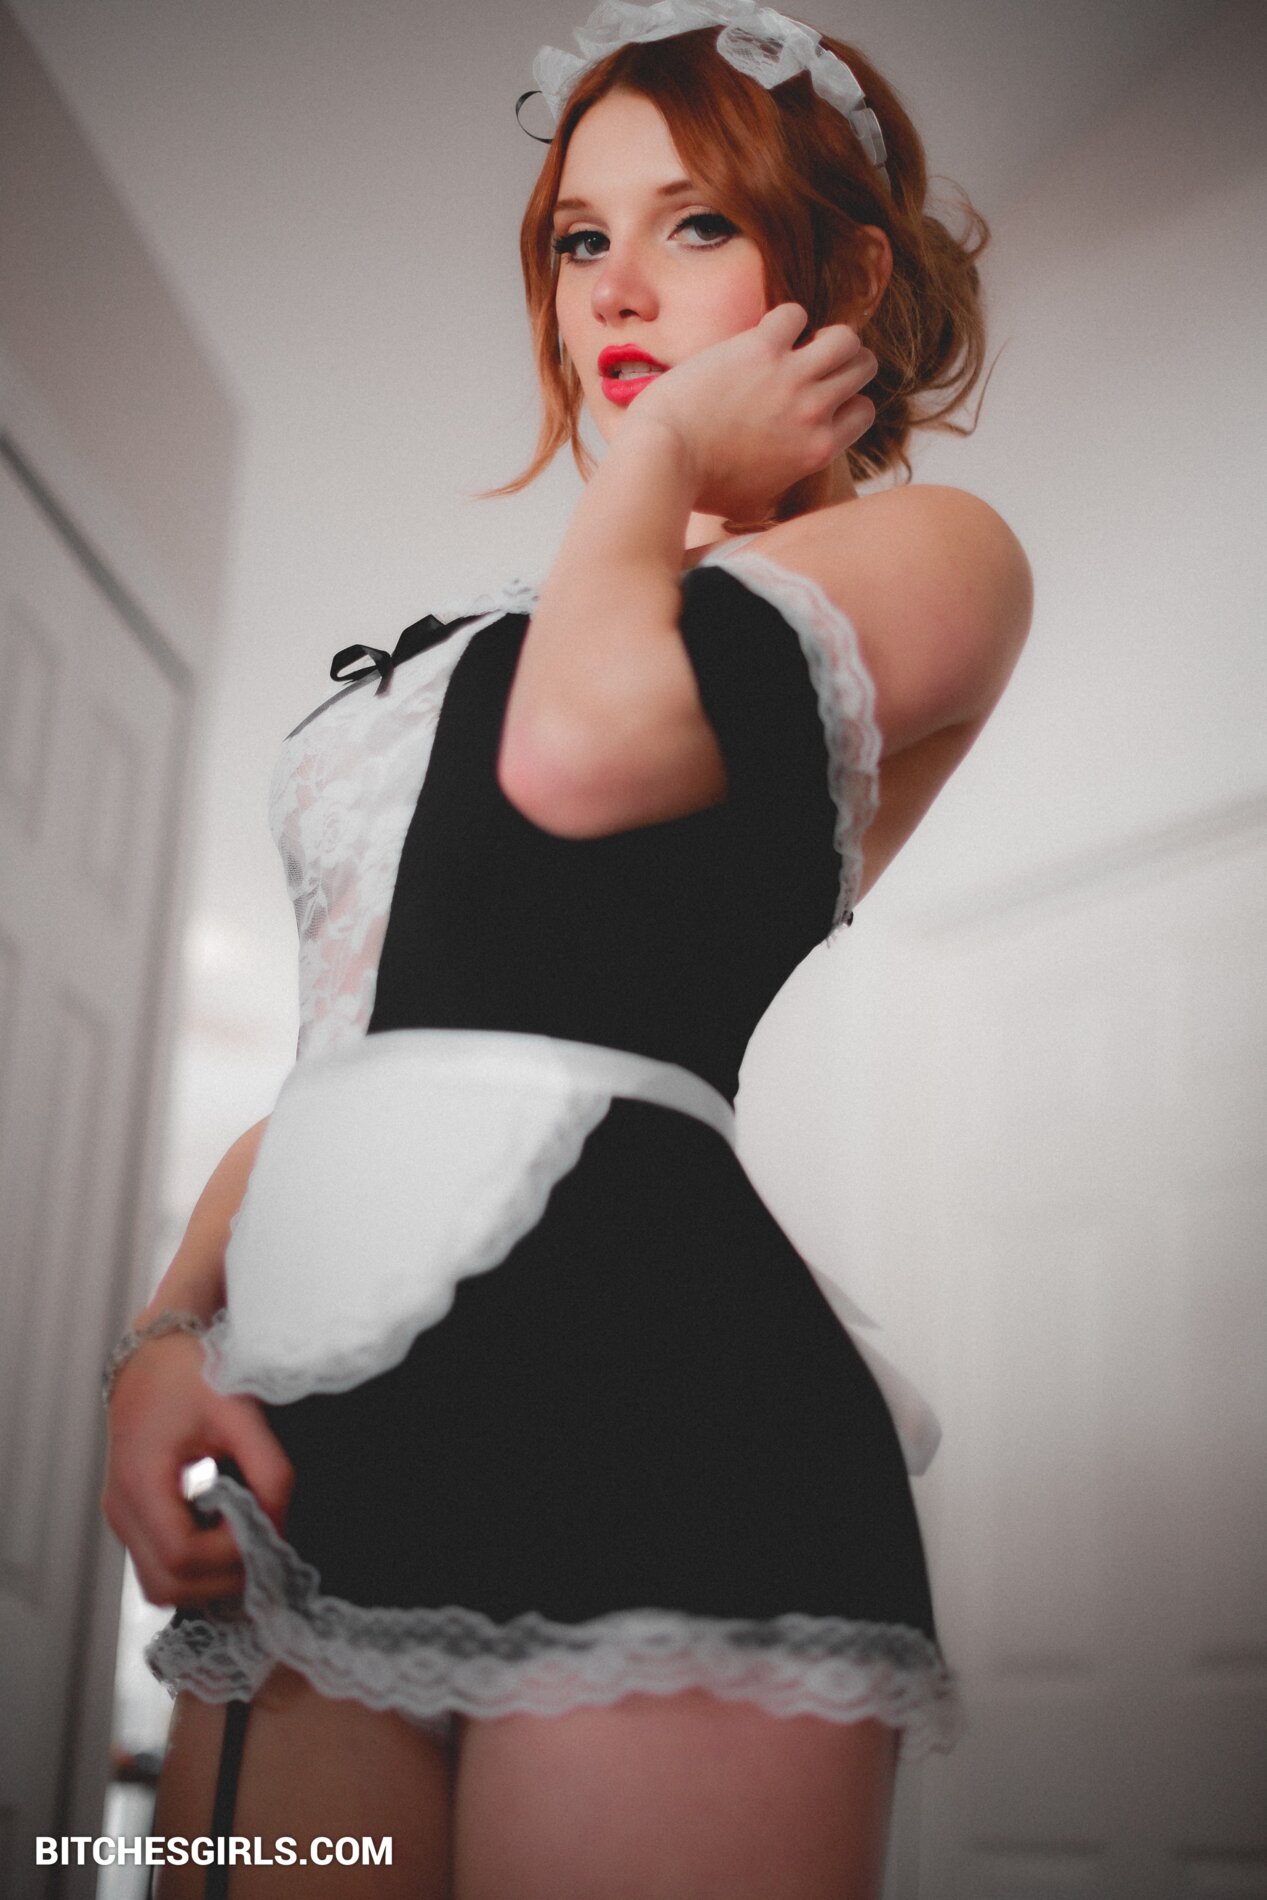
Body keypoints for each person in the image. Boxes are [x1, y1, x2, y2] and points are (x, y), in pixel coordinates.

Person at [100, 4, 1032, 1895]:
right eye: (579, 236)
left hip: (659, 1403)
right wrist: (165, 1331)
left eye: (695, 224)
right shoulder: (554, 604)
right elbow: (369, 1038)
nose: (612, 286)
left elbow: (583, 755)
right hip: (323, 1427)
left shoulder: (929, 555)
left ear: (848, 275)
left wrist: (660, 455)